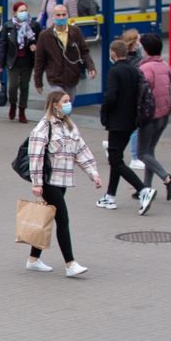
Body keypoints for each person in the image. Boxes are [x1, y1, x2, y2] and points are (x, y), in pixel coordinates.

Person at [26, 90, 101, 277]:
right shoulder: (44, 127)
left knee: (47, 217)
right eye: (65, 101)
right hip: (49, 182)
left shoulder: (70, 126)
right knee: (63, 219)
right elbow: (35, 156)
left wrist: (93, 174)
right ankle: (70, 264)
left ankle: (33, 259)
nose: (69, 104)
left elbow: (81, 151)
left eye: (69, 100)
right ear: (55, 105)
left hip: (62, 181)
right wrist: (37, 183)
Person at [98, 39, 156, 215]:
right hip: (131, 121)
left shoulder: (114, 71)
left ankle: (143, 190)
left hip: (117, 122)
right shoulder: (134, 70)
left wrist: (104, 113)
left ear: (113, 53)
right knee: (117, 158)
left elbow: (111, 97)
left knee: (115, 160)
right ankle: (110, 196)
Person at [137, 33, 171, 199]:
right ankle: (146, 187)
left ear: (146, 49)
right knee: (150, 151)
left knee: (142, 153)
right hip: (164, 115)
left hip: (150, 116)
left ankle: (168, 179)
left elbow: (140, 91)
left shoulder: (146, 68)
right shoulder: (165, 65)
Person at [34, 4, 96, 100]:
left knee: (68, 106)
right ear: (53, 16)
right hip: (55, 78)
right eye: (58, 15)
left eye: (64, 14)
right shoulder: (45, 36)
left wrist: (90, 67)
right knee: (59, 103)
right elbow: (39, 60)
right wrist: (38, 82)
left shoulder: (76, 32)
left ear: (67, 15)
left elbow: (84, 51)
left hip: (72, 77)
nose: (61, 17)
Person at [0, 1, 40, 123]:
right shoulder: (9, 26)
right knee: (13, 86)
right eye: (21, 11)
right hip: (13, 60)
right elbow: (3, 45)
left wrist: (34, 46)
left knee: (24, 86)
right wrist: (1, 64)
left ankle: (22, 110)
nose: (24, 13)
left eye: (25, 10)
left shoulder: (34, 25)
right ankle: (13, 105)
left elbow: (39, 41)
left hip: (27, 60)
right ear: (15, 12)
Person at [121, 29, 146, 170]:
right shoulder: (127, 59)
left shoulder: (138, 53)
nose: (140, 42)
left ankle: (111, 145)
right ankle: (135, 157)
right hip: (131, 95)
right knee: (135, 127)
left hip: (134, 94)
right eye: (138, 40)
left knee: (129, 127)